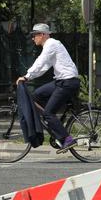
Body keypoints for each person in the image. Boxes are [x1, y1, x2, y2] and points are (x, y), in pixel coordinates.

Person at [16, 23, 79, 153]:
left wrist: (27, 77)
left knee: (48, 113)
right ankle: (52, 125)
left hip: (67, 82)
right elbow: (44, 67)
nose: (33, 38)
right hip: (61, 81)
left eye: (34, 35)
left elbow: (41, 62)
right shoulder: (50, 46)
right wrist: (29, 76)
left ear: (43, 35)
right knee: (34, 96)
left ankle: (67, 139)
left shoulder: (51, 44)